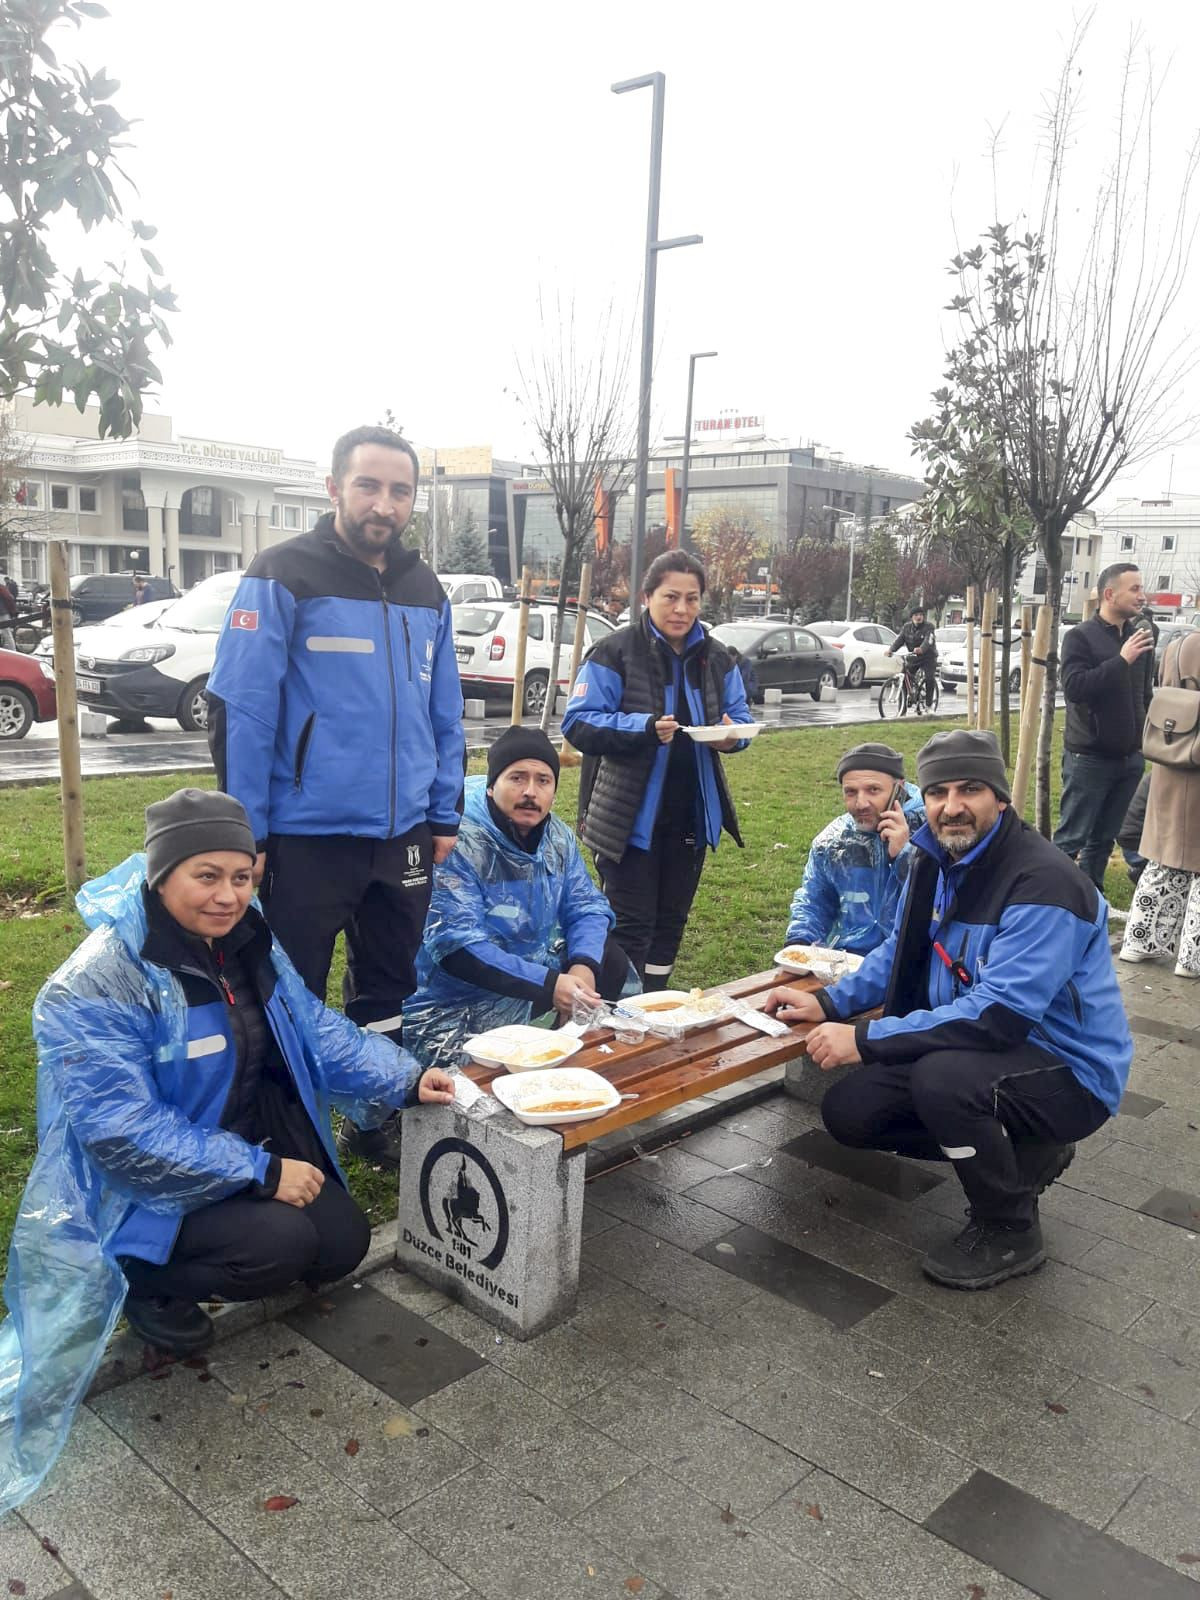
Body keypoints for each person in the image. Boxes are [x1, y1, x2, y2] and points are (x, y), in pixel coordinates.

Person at [0, 788, 454, 1516]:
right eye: (205, 876)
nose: (227, 895)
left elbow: (311, 1027)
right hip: (131, 1189)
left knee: (338, 1243)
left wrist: (404, 1076)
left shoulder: (248, 939)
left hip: (233, 1150)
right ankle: (145, 1277)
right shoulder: (92, 985)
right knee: (278, 1247)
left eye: (241, 877)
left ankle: (223, 1237)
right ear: (159, 875)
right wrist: (262, 1171)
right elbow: (121, 1137)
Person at [765, 729, 1130, 1292]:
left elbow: (999, 1016)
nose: (952, 806)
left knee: (943, 1081)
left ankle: (1008, 1226)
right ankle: (1027, 1152)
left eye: (971, 789)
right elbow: (901, 947)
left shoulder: (1044, 882)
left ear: (1000, 799)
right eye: (939, 792)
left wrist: (863, 1040)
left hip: (1068, 1071)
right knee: (851, 1113)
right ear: (922, 798)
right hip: (982, 1051)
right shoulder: (934, 858)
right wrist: (827, 1003)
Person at [206, 425, 465, 1166]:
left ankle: (375, 1111)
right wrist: (245, 831)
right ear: (333, 488)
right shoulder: (282, 574)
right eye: (368, 485)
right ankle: (288, 1127)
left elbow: (444, 710)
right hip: (305, 836)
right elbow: (244, 709)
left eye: (400, 490)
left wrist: (442, 810)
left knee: (387, 984)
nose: (384, 504)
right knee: (292, 989)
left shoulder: (425, 588)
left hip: (404, 837)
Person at [561, 549, 753, 989]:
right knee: (631, 924)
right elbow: (579, 722)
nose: (682, 609)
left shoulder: (718, 657)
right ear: (647, 597)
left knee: (671, 922)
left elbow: (740, 717)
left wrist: (732, 736)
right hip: (627, 820)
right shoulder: (615, 652)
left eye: (692, 598)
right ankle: (619, 1012)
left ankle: (655, 1001)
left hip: (690, 814)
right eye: (671, 597)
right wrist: (643, 728)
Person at [404, 727, 633, 1065]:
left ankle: (568, 1053)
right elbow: (456, 948)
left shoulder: (556, 836)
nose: (530, 792)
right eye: (517, 778)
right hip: (454, 995)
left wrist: (582, 965)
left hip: (529, 969)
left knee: (607, 959)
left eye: (543, 780)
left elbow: (586, 906)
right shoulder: (457, 841)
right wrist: (551, 984)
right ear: (493, 784)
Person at [1054, 563, 1155, 891]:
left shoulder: (1140, 638)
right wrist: (1120, 660)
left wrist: (1145, 740)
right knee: (1071, 840)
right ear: (1109, 594)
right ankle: (1051, 902)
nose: (1142, 595)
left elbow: (1144, 694)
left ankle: (1091, 902)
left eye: (1142, 588)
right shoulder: (1079, 637)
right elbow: (1075, 688)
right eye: (1134, 589)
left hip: (1129, 759)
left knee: (1103, 840)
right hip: (1089, 758)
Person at [785, 742, 925, 955]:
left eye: (873, 790)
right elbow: (814, 899)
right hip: (849, 962)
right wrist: (800, 942)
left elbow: (940, 902)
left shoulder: (931, 829)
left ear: (900, 789)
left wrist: (905, 855)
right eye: (851, 792)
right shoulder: (833, 841)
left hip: (914, 963)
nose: (861, 803)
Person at [1119, 629, 1200, 978]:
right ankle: (1191, 958)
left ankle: (1141, 941)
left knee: (1164, 860)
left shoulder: (1177, 645)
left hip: (1171, 757)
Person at [886, 605, 938, 710]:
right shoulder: (906, 627)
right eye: (916, 615)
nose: (919, 617)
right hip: (914, 657)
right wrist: (891, 650)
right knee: (904, 679)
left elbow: (929, 640)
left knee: (929, 678)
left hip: (928, 657)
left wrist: (921, 649)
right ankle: (902, 709)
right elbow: (899, 640)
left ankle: (929, 705)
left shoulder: (929, 627)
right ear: (911, 617)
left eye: (920, 615)